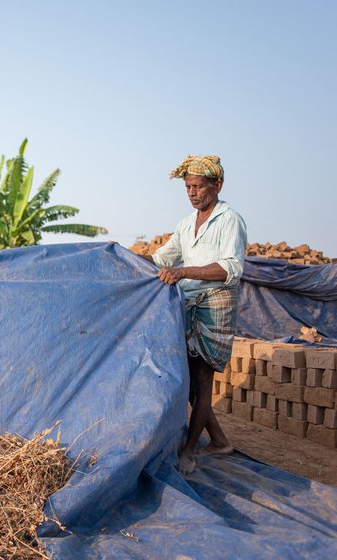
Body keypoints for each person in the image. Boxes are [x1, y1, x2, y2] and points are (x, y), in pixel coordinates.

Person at [143, 155, 247, 474]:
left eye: (198, 186)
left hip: (215, 303)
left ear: (217, 185)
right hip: (187, 304)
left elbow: (231, 267)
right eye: (188, 187)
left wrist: (184, 270)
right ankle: (219, 440)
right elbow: (162, 258)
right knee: (188, 382)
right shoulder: (187, 224)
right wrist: (126, 258)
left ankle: (189, 450)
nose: (192, 192)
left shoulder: (229, 219)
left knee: (202, 381)